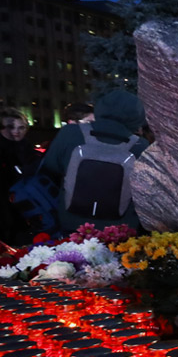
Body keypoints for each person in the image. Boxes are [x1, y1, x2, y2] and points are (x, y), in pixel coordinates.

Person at [38, 90, 149, 234]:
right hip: (120, 228)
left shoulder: (70, 133)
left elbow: (50, 168)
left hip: (72, 223)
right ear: (138, 115)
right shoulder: (141, 145)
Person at [0, 110, 41, 245]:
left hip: (28, 207)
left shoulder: (27, 148)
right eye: (11, 127)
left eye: (21, 127)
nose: (16, 131)